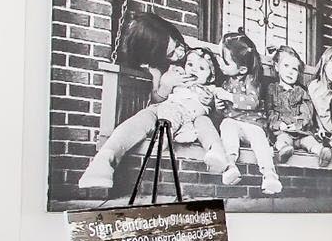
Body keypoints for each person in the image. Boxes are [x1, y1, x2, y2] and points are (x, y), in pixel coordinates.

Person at [77, 47, 230, 190]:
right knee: (144, 116)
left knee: (204, 122)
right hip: (166, 110)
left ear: (211, 76)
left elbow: (219, 115)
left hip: (192, 121)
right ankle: (104, 160)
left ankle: (216, 152)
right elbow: (157, 97)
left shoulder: (211, 90)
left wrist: (214, 104)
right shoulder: (176, 76)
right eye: (190, 64)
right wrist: (169, 82)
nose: (194, 69)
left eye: (201, 68)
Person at [215, 31, 282, 195]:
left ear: (242, 69)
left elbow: (253, 102)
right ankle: (230, 165)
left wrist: (228, 97)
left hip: (253, 124)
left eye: (225, 61)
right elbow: (224, 112)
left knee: (260, 141)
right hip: (234, 124)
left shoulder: (250, 80)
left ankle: (269, 175)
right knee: (226, 125)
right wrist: (219, 106)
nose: (220, 63)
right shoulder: (226, 83)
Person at [263, 46, 316, 162]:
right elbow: (269, 111)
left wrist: (298, 124)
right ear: (277, 67)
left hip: (300, 132)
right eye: (286, 66)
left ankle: (321, 152)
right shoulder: (272, 89)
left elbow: (307, 112)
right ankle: (284, 150)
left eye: (294, 69)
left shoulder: (301, 92)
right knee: (282, 140)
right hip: (282, 131)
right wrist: (279, 124)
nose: (290, 71)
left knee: (310, 140)